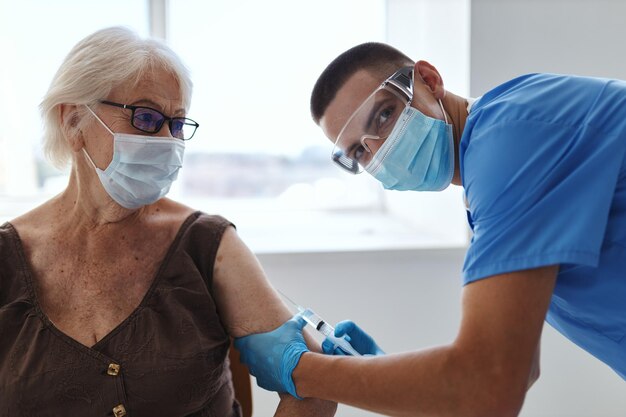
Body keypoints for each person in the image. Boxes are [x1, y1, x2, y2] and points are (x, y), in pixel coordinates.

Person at [234, 42, 626, 416]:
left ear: (428, 79)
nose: (379, 149)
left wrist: (302, 371)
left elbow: (489, 387)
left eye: (384, 115)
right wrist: (379, 371)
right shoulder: (492, 165)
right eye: (359, 152)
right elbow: (518, 369)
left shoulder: (510, 142)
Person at [0, 26, 337, 417]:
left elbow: (315, 387)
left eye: (176, 124)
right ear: (74, 121)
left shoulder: (206, 245)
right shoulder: (8, 258)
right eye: (145, 117)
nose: (166, 140)